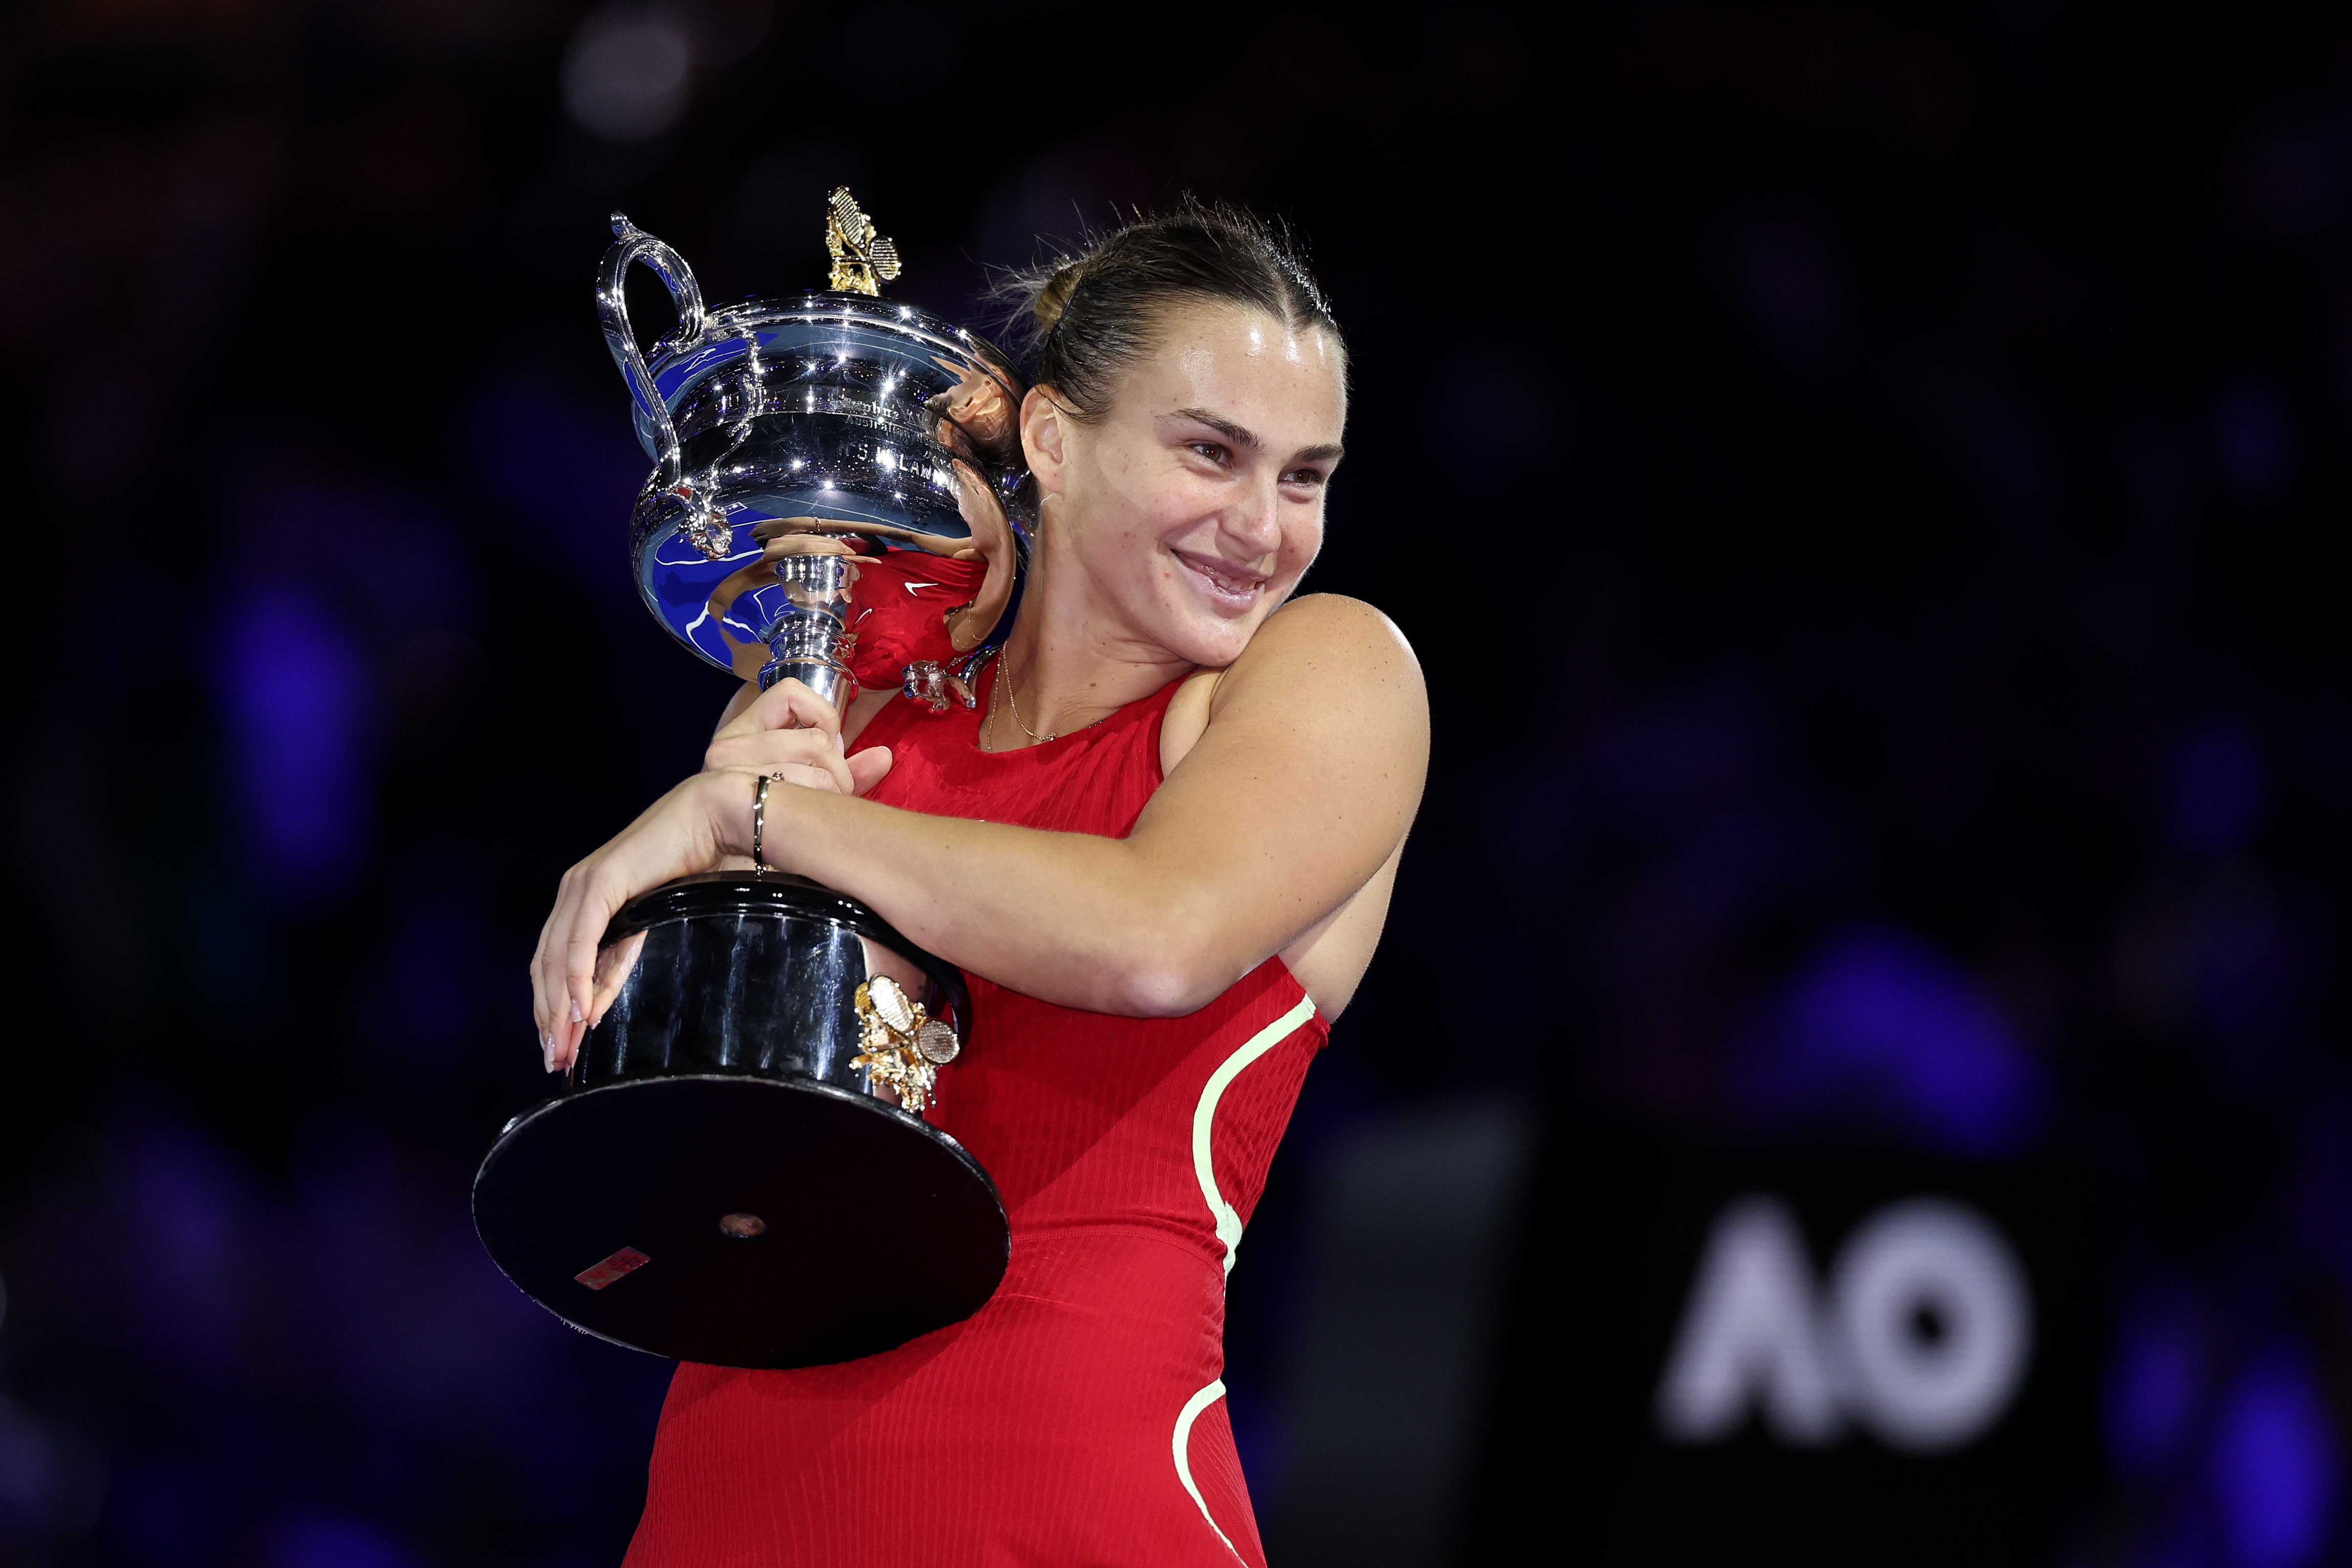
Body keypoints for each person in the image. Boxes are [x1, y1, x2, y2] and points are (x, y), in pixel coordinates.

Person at [530, 203, 1429, 1567]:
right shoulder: (861, 720)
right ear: (1055, 443)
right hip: (734, 1497)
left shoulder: (1331, 674)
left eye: (1306, 475)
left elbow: (1155, 934)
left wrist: (761, 817)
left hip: (1077, 1515)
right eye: (1211, 452)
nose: (1264, 524)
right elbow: (695, 1138)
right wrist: (720, 888)